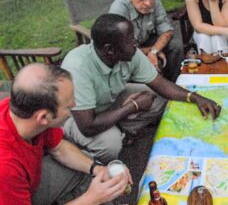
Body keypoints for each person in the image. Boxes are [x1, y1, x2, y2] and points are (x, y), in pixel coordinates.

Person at [61, 13, 221, 164]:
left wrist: (195, 97)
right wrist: (133, 107)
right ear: (110, 49)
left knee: (159, 98)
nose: (136, 43)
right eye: (130, 40)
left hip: (107, 103)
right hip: (78, 119)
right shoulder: (78, 68)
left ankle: (118, 127)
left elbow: (160, 84)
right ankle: (85, 159)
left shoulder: (128, 53)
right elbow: (88, 126)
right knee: (111, 145)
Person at [0, 63, 131, 204]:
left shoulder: (22, 111)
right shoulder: (6, 168)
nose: (75, 104)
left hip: (28, 181)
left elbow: (58, 147)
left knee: (85, 163)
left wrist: (97, 168)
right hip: (12, 188)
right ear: (43, 117)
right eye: (68, 106)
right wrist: (91, 199)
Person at [109, 0, 182, 82]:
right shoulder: (118, 11)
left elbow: (167, 31)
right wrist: (150, 51)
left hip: (146, 40)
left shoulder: (155, 1)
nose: (148, 3)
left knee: (175, 46)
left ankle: (175, 83)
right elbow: (120, 49)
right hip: (126, 50)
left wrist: (154, 51)